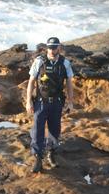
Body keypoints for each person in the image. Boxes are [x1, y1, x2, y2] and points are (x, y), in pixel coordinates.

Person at [25, 37, 74, 173]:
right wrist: (28, 101)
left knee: (54, 129)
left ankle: (51, 154)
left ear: (59, 47)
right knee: (37, 130)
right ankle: (37, 158)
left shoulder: (65, 63)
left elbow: (69, 83)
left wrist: (70, 102)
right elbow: (31, 81)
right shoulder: (39, 61)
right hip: (41, 102)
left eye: (55, 47)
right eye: (50, 47)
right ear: (47, 48)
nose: (52, 50)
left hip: (57, 103)